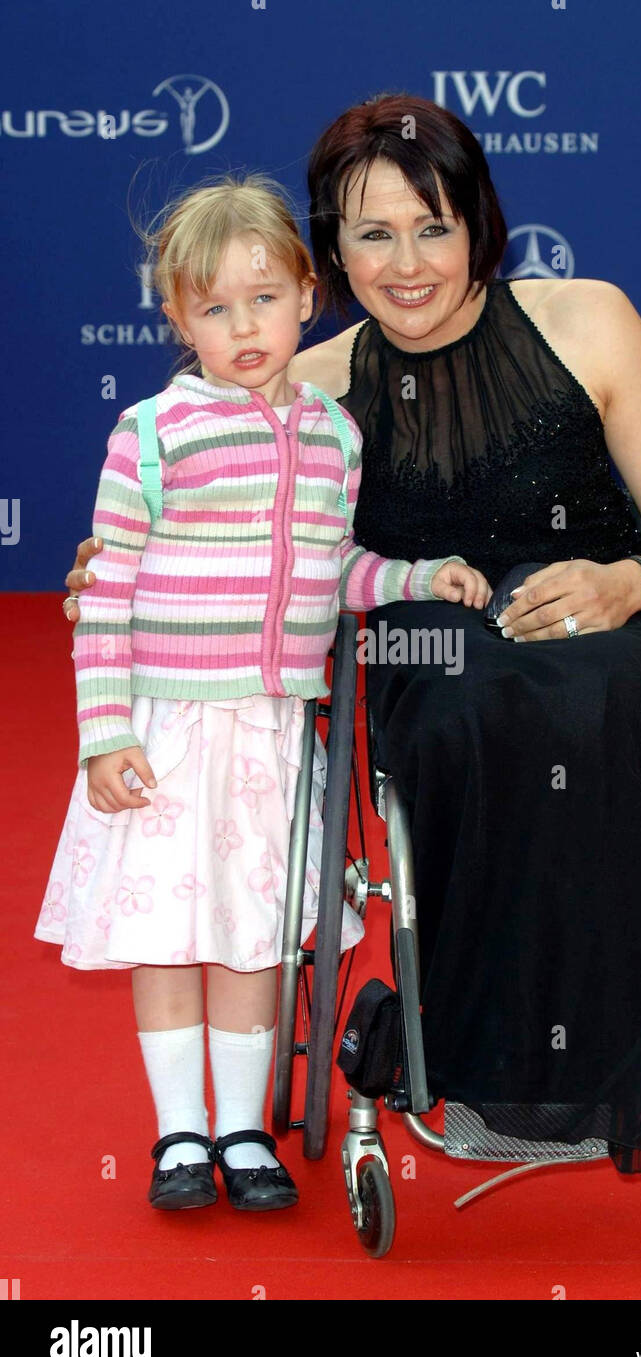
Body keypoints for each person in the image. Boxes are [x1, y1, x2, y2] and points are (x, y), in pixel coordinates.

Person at [64, 95, 641, 1177]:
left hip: (603, 624)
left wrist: (629, 582)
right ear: (330, 253)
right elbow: (183, 504)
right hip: (429, 647)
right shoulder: (305, 390)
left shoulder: (588, 320)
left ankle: (609, 1063)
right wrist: (116, 567)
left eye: (433, 227)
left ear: (478, 223)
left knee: (597, 703)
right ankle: (476, 1062)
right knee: (467, 712)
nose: (408, 262)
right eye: (373, 233)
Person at [39, 170, 488, 1213]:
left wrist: (416, 579)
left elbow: (336, 572)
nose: (243, 327)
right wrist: (103, 734)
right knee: (165, 933)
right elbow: (102, 588)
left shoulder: (334, 438)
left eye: (263, 299)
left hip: (275, 736)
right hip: (169, 729)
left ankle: (242, 1129)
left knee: (252, 933)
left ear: (303, 295)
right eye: (212, 308)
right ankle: (177, 1134)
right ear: (175, 320)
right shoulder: (151, 434)